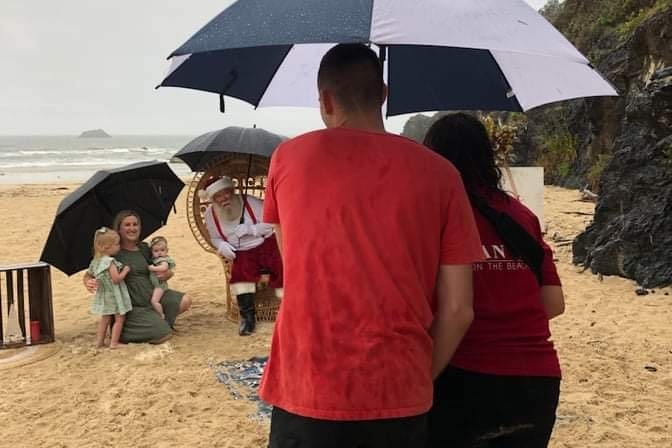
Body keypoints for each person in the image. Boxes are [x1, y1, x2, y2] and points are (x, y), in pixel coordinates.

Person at [259, 44, 483, 448]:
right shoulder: (441, 174)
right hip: (399, 387)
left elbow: (293, 268)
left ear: (325, 100)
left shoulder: (287, 158)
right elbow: (458, 309)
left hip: (306, 385)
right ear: (383, 94)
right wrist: (419, 376)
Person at [423, 113, 565, 448]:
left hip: (465, 375)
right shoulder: (520, 215)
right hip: (538, 380)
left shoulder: (440, 215)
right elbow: (553, 303)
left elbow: (450, 309)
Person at [84, 210, 191, 343]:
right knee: (163, 334)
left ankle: (155, 321)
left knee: (185, 300)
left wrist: (168, 274)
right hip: (131, 306)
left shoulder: (145, 248)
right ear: (119, 229)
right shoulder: (112, 252)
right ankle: (127, 330)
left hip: (152, 298)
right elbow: (90, 273)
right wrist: (88, 281)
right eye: (127, 225)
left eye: (135, 224)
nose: (132, 228)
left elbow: (163, 266)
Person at [202, 176, 283, 336]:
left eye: (225, 193)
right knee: (240, 274)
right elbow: (215, 237)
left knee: (282, 266)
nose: (223, 198)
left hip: (264, 243)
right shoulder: (211, 214)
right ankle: (247, 317)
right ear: (213, 199)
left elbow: (272, 223)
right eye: (218, 196)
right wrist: (221, 245)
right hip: (241, 252)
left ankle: (289, 306)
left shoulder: (251, 202)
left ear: (231, 191)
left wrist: (251, 229)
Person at [87, 227, 132, 348]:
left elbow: (91, 274)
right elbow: (116, 279)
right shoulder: (109, 261)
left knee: (105, 319)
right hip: (114, 294)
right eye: (116, 244)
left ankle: (100, 342)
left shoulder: (95, 261)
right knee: (119, 318)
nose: (119, 246)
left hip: (103, 294)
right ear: (106, 247)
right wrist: (125, 271)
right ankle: (114, 342)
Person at [147, 236, 175, 319]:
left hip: (159, 285)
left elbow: (164, 267)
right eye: (156, 251)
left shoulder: (163, 260)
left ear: (167, 250)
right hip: (156, 284)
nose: (159, 253)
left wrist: (152, 268)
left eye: (162, 250)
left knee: (154, 301)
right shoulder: (155, 259)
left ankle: (161, 314)